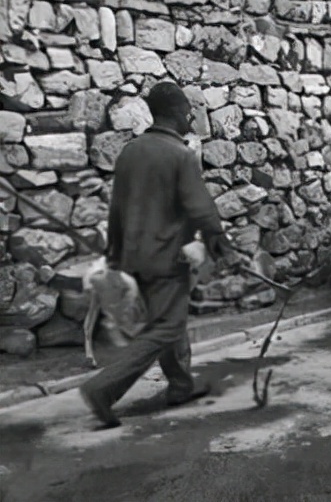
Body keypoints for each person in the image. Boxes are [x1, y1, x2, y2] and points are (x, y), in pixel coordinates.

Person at [79, 81, 235, 429]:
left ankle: (180, 386)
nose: (191, 117)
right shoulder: (180, 155)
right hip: (166, 257)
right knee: (167, 325)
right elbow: (200, 208)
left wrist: (115, 254)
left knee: (169, 318)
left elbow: (116, 208)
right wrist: (220, 243)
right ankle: (102, 389)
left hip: (134, 255)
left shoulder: (131, 151)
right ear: (177, 112)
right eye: (188, 111)